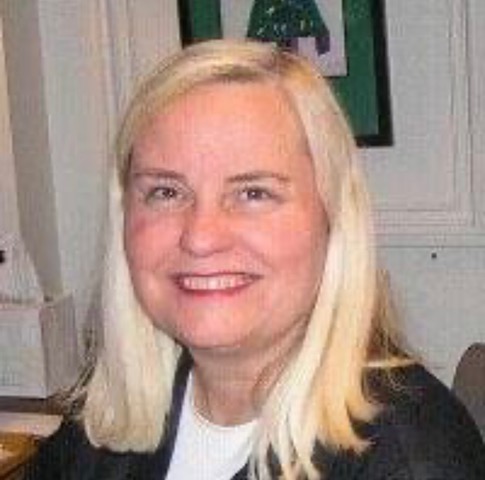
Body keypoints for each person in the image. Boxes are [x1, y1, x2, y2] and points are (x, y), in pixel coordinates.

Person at [26, 39, 485, 480]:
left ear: (332, 220)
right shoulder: (97, 432)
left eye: (253, 193)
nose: (200, 237)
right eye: (165, 192)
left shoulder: (413, 461)